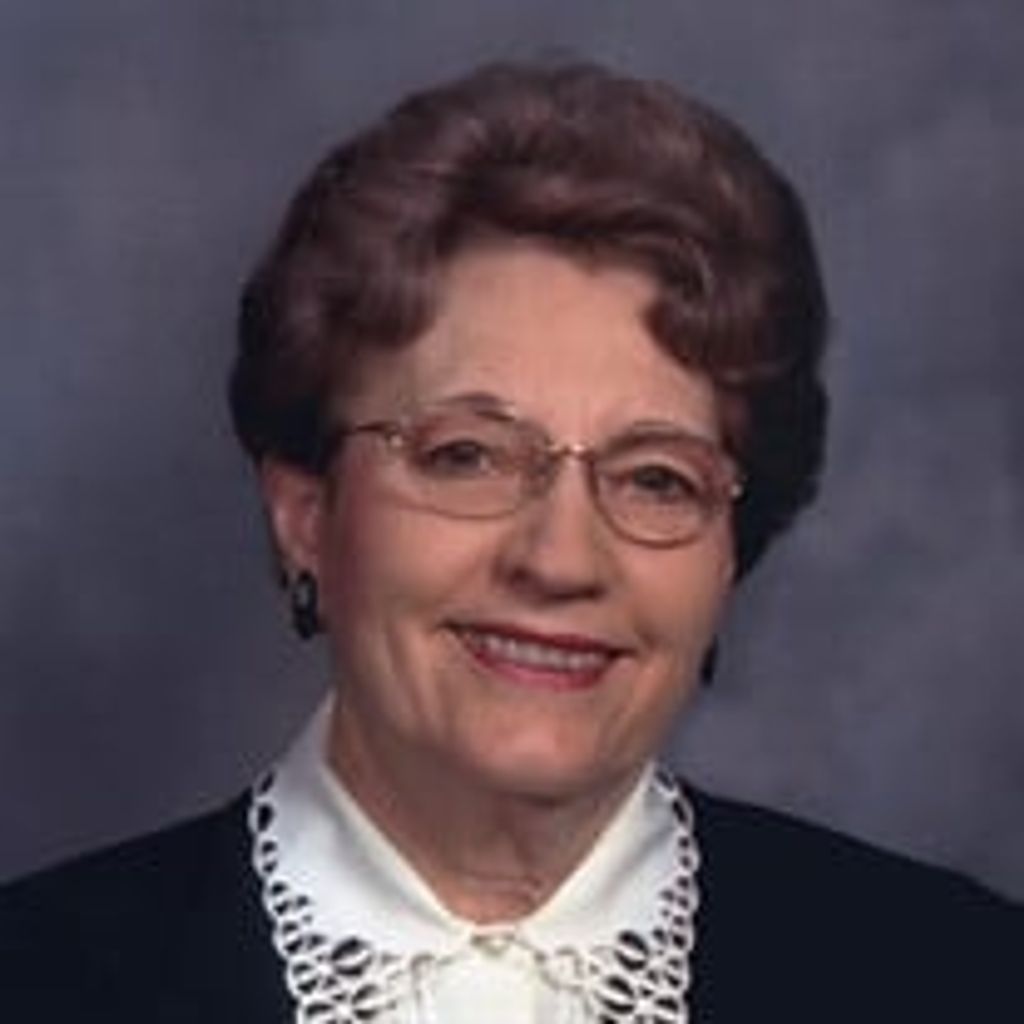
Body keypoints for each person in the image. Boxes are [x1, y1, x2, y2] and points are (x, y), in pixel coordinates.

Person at [0, 60, 1018, 1023]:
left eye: (656, 478)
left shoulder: (964, 976)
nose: (560, 560)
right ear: (305, 513)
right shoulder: (37, 978)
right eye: (467, 457)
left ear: (726, 555)